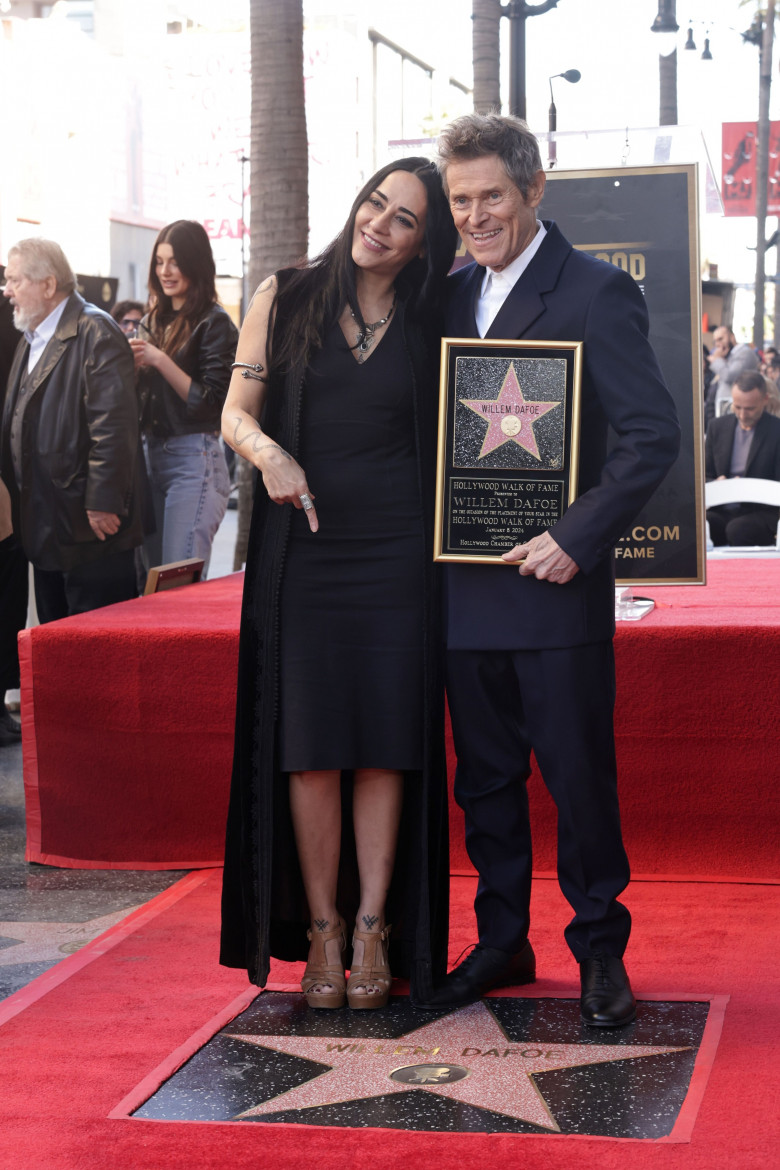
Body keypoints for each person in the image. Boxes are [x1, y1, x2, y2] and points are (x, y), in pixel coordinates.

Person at [424, 114, 680, 1027]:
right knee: (483, 782)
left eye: (493, 194)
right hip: (462, 593)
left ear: (534, 191)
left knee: (578, 779)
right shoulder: (446, 297)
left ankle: (601, 951)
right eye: (461, 200)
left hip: (555, 590)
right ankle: (502, 943)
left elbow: (653, 437)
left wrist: (576, 537)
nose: (476, 214)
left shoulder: (597, 292)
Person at [219, 158, 457, 1009]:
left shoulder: (438, 312)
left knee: (387, 747)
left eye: (403, 219)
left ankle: (373, 931)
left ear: (426, 242)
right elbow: (234, 413)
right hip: (305, 553)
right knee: (311, 749)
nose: (379, 225)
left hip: (399, 555)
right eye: (374, 204)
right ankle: (321, 931)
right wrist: (271, 454)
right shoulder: (284, 295)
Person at [1, 238, 143, 624]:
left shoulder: (96, 331)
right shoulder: (32, 336)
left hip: (88, 528)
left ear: (48, 285)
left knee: (94, 648)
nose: (7, 291)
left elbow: (113, 426)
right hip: (49, 524)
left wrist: (104, 500)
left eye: (14, 280)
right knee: (56, 644)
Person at [130, 221, 237, 577]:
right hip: (149, 457)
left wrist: (159, 359)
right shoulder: (150, 321)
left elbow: (211, 404)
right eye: (159, 261)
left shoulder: (215, 323)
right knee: (152, 583)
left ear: (195, 262)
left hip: (194, 460)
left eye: (174, 261)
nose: (165, 271)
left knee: (177, 585)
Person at [705, 371, 780, 546]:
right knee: (699, 526)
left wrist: (745, 485)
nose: (742, 415)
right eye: (737, 407)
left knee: (738, 529)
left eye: (750, 408)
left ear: (765, 400)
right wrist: (718, 482)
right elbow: (705, 475)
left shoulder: (776, 431)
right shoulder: (717, 427)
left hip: (761, 510)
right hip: (722, 507)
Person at [705, 325, 759, 427]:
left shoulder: (744, 353)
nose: (718, 344)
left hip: (735, 411)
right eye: (715, 341)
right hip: (725, 409)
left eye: (721, 339)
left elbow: (730, 376)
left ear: (732, 337)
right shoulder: (730, 355)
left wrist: (716, 359)